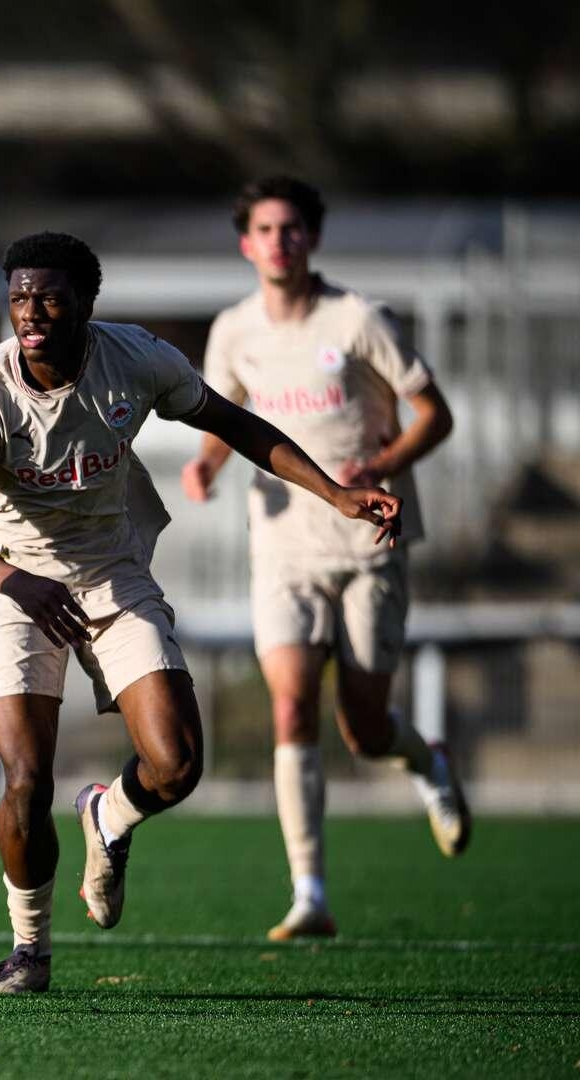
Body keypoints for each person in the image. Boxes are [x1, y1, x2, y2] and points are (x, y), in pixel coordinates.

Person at [0, 231, 402, 994]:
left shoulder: (138, 358)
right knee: (26, 780)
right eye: (20, 298)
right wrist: (20, 585)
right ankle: (29, 948)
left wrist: (337, 493)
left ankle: (110, 816)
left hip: (113, 574)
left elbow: (236, 424)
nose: (32, 313)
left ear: (87, 303)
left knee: (178, 764)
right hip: (15, 587)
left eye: (51, 297)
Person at [179, 177, 468, 942]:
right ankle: (310, 892)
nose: (280, 241)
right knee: (290, 703)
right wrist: (207, 464)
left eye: (293, 228)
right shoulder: (234, 329)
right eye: (266, 230)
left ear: (313, 239)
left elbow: (436, 414)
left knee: (364, 730)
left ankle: (426, 759)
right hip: (282, 545)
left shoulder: (359, 319)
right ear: (247, 245)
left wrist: (384, 463)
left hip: (368, 541)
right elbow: (225, 414)